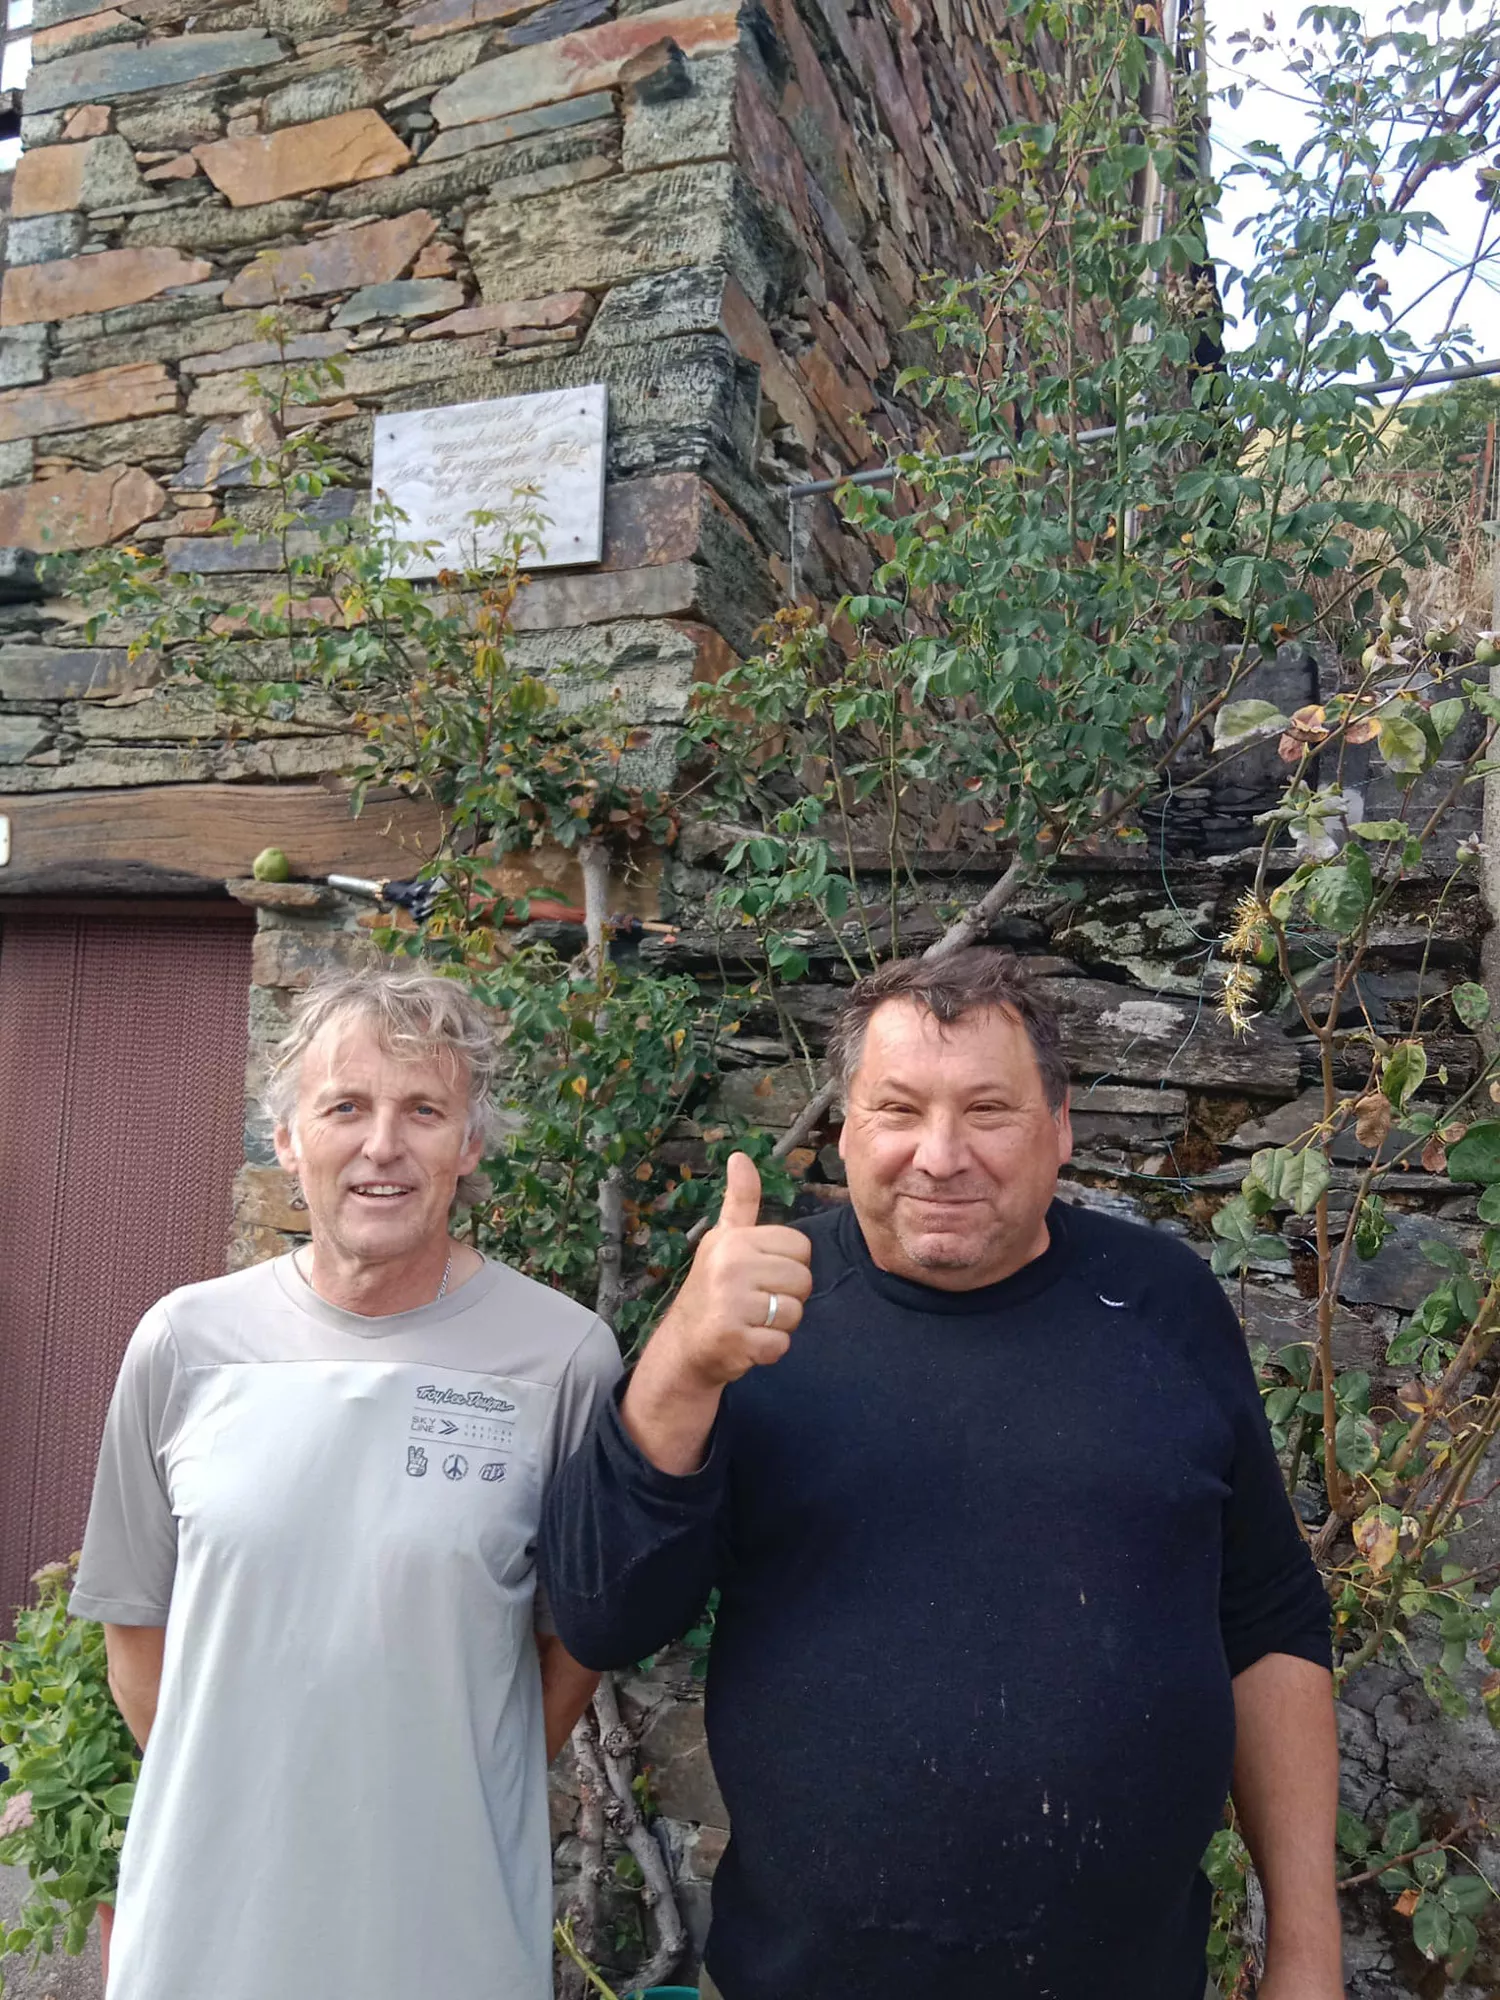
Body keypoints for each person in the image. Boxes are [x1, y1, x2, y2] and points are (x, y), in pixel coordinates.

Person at [540, 949, 1343, 2000]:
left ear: (1060, 1128)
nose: (941, 1153)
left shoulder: (1165, 1305)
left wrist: (1306, 1954)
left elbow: (1269, 1616)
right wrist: (679, 1365)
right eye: (899, 1108)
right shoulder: (757, 1320)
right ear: (846, 1131)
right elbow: (601, 1617)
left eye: (989, 1109)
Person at [72, 967, 620, 2000]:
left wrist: (447, 1784)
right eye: (346, 1106)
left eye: (423, 1109)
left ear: (468, 1144)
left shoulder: (563, 1360)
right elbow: (136, 1638)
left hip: (445, 1919)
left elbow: (573, 1643)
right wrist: (256, 1791)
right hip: (209, 1915)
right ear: (286, 1140)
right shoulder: (183, 1345)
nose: (382, 1144)